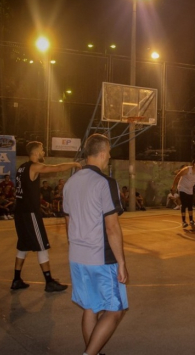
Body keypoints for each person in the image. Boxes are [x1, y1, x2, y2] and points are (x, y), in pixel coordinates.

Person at [63, 133, 128, 355]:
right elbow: (112, 227)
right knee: (115, 311)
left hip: (77, 256)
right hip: (100, 258)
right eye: (108, 153)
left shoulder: (70, 183)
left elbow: (68, 222)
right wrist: (121, 262)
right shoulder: (105, 183)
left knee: (91, 307)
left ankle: (94, 351)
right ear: (101, 154)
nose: (109, 157)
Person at [10, 141, 81, 292]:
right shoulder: (34, 166)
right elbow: (57, 167)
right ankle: (49, 282)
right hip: (30, 213)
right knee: (42, 245)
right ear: (35, 152)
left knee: (23, 246)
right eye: (42, 150)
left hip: (20, 212)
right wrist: (74, 163)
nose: (43, 152)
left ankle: (16, 279)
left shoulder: (21, 167)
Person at [171, 159, 195, 228]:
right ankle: (183, 221)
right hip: (182, 188)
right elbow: (177, 176)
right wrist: (173, 186)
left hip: (189, 189)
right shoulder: (187, 169)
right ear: (194, 164)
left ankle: (191, 221)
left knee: (190, 205)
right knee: (184, 204)